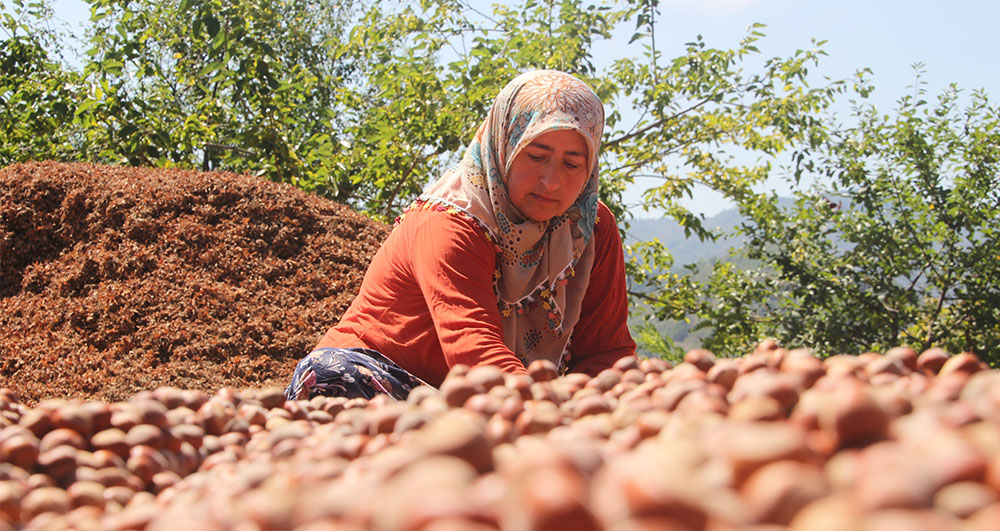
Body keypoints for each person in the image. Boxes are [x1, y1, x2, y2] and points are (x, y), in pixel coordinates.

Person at [285, 70, 636, 401]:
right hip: (392, 379)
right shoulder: (451, 221)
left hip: (493, 398)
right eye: (535, 156)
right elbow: (472, 346)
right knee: (329, 376)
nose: (551, 181)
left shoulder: (589, 228)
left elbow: (606, 350)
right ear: (504, 147)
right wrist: (549, 408)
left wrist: (609, 405)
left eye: (572, 164)